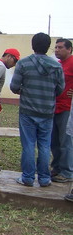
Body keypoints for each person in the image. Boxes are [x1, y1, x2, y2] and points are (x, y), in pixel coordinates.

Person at [10, 32, 65, 187]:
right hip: (47, 112)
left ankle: (27, 178)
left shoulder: (24, 63)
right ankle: (44, 179)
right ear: (48, 47)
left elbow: (14, 87)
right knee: (44, 145)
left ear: (32, 45)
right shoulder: (56, 66)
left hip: (28, 111)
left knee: (28, 145)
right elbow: (60, 89)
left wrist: (24, 91)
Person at [50, 39, 73, 183]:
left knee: (66, 141)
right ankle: (57, 167)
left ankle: (67, 172)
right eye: (56, 47)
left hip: (67, 108)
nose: (57, 50)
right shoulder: (58, 65)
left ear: (69, 49)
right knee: (55, 141)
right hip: (55, 107)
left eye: (60, 47)